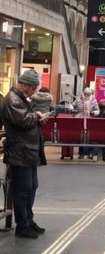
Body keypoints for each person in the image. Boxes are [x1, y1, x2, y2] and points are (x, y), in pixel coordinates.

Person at [1, 70, 49, 238]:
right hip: (20, 151)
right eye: (34, 87)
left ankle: (28, 220)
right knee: (22, 190)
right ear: (25, 85)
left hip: (27, 151)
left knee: (30, 188)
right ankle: (22, 224)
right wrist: (36, 116)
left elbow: (26, 118)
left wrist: (35, 115)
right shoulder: (13, 99)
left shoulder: (20, 99)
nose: (35, 91)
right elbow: (23, 121)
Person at [74, 88, 100, 159]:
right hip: (80, 118)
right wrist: (71, 108)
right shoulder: (79, 99)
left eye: (88, 94)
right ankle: (81, 153)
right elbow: (72, 105)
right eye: (85, 94)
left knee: (90, 136)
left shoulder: (93, 100)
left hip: (90, 119)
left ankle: (91, 153)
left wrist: (94, 113)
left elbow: (97, 110)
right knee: (81, 136)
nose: (86, 95)